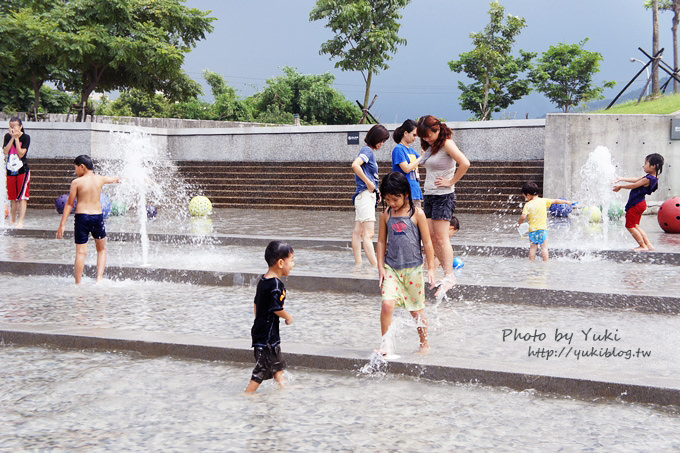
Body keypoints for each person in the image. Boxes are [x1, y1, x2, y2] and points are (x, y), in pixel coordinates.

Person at [377, 172, 435, 355]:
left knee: (416, 310)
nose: (392, 204)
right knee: (387, 304)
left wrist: (431, 268)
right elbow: (380, 242)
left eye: (395, 199)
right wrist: (380, 267)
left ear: (406, 194)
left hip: (413, 269)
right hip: (391, 268)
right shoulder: (386, 215)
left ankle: (424, 343)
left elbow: (427, 242)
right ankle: (386, 344)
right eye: (388, 200)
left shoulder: (417, 214)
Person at [416, 115, 469, 297]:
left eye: (428, 135)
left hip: (443, 196)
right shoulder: (433, 147)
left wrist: (451, 181)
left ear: (437, 130)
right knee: (430, 237)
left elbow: (465, 163)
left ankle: (450, 276)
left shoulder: (447, 143)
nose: (426, 139)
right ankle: (443, 274)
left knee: (441, 237)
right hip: (430, 195)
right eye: (423, 137)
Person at [56, 155, 120, 284]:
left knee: (80, 252)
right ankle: (99, 280)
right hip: (97, 217)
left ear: (82, 167)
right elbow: (118, 179)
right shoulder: (100, 179)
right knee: (101, 249)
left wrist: (62, 225)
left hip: (82, 217)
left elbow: (69, 204)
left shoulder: (76, 182)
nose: (75, 171)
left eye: (76, 168)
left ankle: (78, 283)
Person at [245, 241, 295, 393]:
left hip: (263, 332)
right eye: (291, 260)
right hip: (267, 337)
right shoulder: (276, 284)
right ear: (281, 263)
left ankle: (283, 387)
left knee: (277, 363)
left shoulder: (263, 280)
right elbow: (276, 308)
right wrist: (288, 317)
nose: (293, 264)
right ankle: (248, 393)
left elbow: (256, 303)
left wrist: (259, 320)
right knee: (263, 367)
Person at [351, 124, 390, 267]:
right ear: (375, 138)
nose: (382, 144)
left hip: (363, 196)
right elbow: (355, 165)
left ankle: (359, 264)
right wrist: (368, 183)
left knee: (358, 231)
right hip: (365, 195)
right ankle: (376, 266)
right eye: (381, 140)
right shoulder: (367, 150)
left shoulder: (367, 151)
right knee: (368, 233)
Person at [613, 153, 664, 251]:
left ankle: (642, 246)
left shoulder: (648, 179)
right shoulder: (652, 177)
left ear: (653, 166)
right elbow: (636, 180)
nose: (643, 166)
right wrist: (622, 179)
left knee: (630, 226)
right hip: (640, 203)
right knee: (636, 225)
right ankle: (648, 245)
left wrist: (620, 186)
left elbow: (634, 185)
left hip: (636, 204)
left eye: (646, 163)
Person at [515, 182, 571, 261]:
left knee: (533, 248)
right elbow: (556, 201)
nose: (525, 198)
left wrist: (519, 223)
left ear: (528, 195)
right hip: (543, 230)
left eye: (524, 196)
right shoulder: (544, 201)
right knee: (544, 248)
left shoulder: (528, 205)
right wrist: (566, 202)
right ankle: (546, 262)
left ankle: (532, 262)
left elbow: (523, 217)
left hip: (532, 231)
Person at [2, 117, 31, 228]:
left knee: (22, 197)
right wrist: (12, 138)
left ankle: (21, 221)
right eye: (11, 126)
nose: (13, 129)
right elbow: (5, 151)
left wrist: (17, 139)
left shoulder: (26, 137)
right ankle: (13, 220)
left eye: (15, 126)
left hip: (22, 169)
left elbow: (21, 153)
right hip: (10, 169)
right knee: (12, 197)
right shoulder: (7, 136)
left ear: (20, 126)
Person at [391, 119, 423, 208]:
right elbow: (406, 168)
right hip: (404, 192)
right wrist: (420, 157)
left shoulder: (411, 150)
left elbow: (423, 162)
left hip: (415, 190)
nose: (415, 138)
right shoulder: (398, 149)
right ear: (405, 133)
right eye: (413, 135)